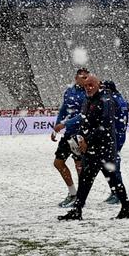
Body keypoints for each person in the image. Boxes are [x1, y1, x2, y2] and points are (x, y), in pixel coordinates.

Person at [56, 72, 129, 221]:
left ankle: (125, 208)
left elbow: (104, 126)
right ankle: (124, 208)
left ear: (98, 85)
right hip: (95, 147)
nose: (88, 88)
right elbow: (85, 121)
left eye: (91, 85)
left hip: (103, 147)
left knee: (104, 178)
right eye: (86, 86)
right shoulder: (89, 100)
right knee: (94, 178)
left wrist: (87, 139)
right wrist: (81, 137)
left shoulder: (105, 101)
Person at [50, 67, 89, 208]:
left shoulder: (88, 93)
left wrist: (64, 123)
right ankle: (73, 193)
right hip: (68, 134)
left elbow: (83, 116)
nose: (85, 80)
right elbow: (63, 109)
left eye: (87, 77)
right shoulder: (69, 92)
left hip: (80, 134)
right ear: (76, 78)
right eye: (82, 77)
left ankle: (80, 196)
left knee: (80, 166)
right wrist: (57, 125)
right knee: (58, 163)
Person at [101, 79, 129, 205]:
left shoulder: (111, 100)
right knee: (110, 162)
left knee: (112, 163)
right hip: (120, 134)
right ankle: (115, 191)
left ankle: (118, 192)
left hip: (113, 135)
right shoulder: (121, 99)